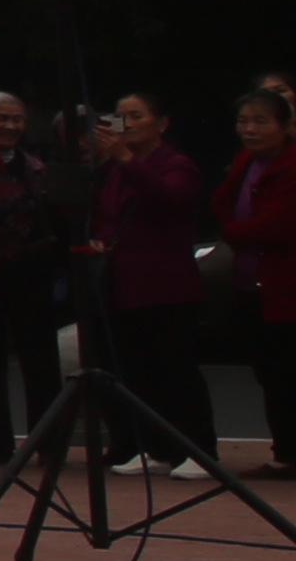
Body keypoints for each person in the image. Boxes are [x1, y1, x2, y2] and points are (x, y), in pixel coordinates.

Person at [94, 91, 217, 473]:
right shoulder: (113, 168)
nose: (127, 124)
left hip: (166, 285)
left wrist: (127, 159)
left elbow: (170, 200)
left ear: (161, 124)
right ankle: (157, 447)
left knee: (177, 370)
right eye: (121, 116)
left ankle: (200, 451)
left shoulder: (177, 165)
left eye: (137, 116)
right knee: (138, 372)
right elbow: (106, 215)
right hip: (124, 283)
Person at [0, 90, 78, 468]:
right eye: (2, 118)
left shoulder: (37, 169)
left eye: (17, 119)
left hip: (31, 271)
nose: (11, 126)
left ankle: (48, 444)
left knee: (41, 360)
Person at [223, 87, 295, 468]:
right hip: (250, 284)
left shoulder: (291, 166)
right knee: (269, 373)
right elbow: (221, 203)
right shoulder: (244, 162)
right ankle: (285, 451)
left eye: (261, 121)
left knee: (287, 371)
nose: (249, 129)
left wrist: (234, 232)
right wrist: (233, 229)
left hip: (285, 286)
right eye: (243, 121)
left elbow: (276, 226)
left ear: (285, 125)